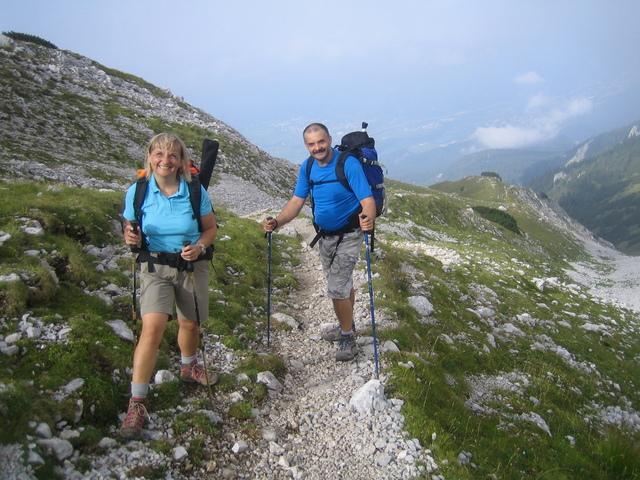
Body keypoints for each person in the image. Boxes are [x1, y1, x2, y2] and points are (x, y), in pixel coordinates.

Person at [120, 133, 218, 439]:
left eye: (172, 155)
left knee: (190, 323)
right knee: (153, 327)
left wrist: (200, 247)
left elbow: (210, 228)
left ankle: (188, 367)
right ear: (149, 157)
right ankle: (137, 402)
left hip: (191, 266)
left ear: (181, 160)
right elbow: (129, 225)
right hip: (154, 267)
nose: (165, 160)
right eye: (159, 154)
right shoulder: (137, 191)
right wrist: (130, 237)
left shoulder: (194, 190)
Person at [263, 123, 375, 361]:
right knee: (342, 285)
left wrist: (368, 219)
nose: (317, 148)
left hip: (350, 234)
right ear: (306, 146)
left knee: (336, 287)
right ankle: (349, 324)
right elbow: (296, 201)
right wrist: (277, 222)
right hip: (324, 236)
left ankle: (347, 338)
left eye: (321, 142)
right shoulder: (308, 166)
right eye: (311, 144)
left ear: (329, 139)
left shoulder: (348, 164)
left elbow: (367, 200)